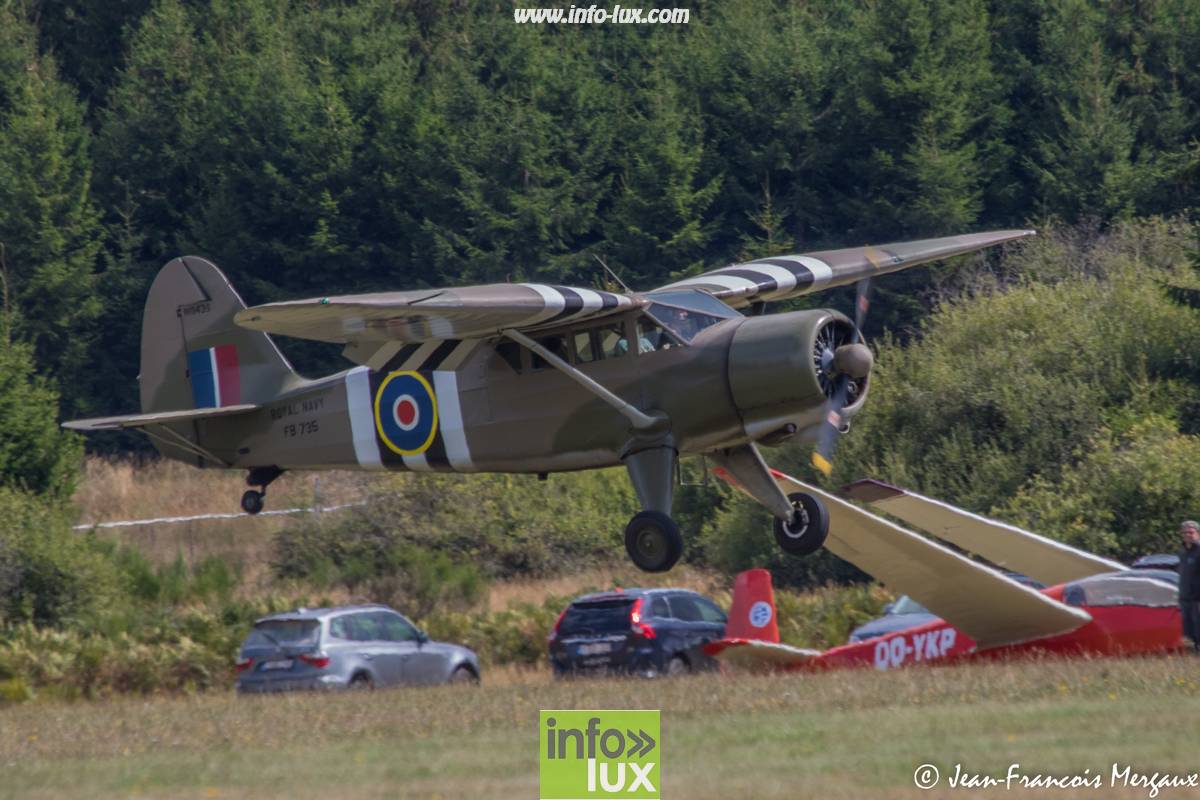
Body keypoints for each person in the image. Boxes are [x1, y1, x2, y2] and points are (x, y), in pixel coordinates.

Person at [1179, 520, 1200, 653]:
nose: (1188, 535)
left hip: (1198, 597)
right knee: (1189, 627)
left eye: (1191, 532)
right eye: (1185, 532)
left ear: (1197, 534)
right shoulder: (1183, 552)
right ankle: (1195, 649)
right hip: (1185, 597)